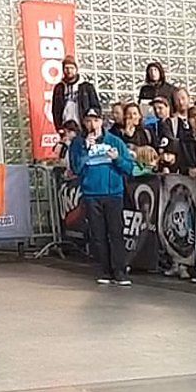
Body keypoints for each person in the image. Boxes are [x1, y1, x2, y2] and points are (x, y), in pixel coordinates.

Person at [67, 109, 136, 286]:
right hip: (91, 194)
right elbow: (76, 168)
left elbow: (129, 168)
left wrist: (118, 159)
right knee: (98, 234)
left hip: (113, 194)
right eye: (88, 121)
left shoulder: (115, 141)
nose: (92, 125)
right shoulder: (78, 143)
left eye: (96, 121)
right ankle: (105, 270)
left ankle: (119, 271)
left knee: (116, 232)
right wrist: (85, 150)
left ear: (102, 122)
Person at [51, 58, 102, 130]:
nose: (69, 71)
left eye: (71, 68)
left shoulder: (87, 87)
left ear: (76, 69)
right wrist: (59, 127)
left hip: (83, 127)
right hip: (66, 127)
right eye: (66, 68)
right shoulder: (59, 88)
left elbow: (96, 106)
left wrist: (90, 122)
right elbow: (55, 110)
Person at [148, 96, 187, 173]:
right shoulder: (153, 126)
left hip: (176, 165)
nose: (157, 111)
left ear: (168, 108)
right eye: (155, 109)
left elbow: (183, 142)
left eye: (160, 108)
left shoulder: (178, 123)